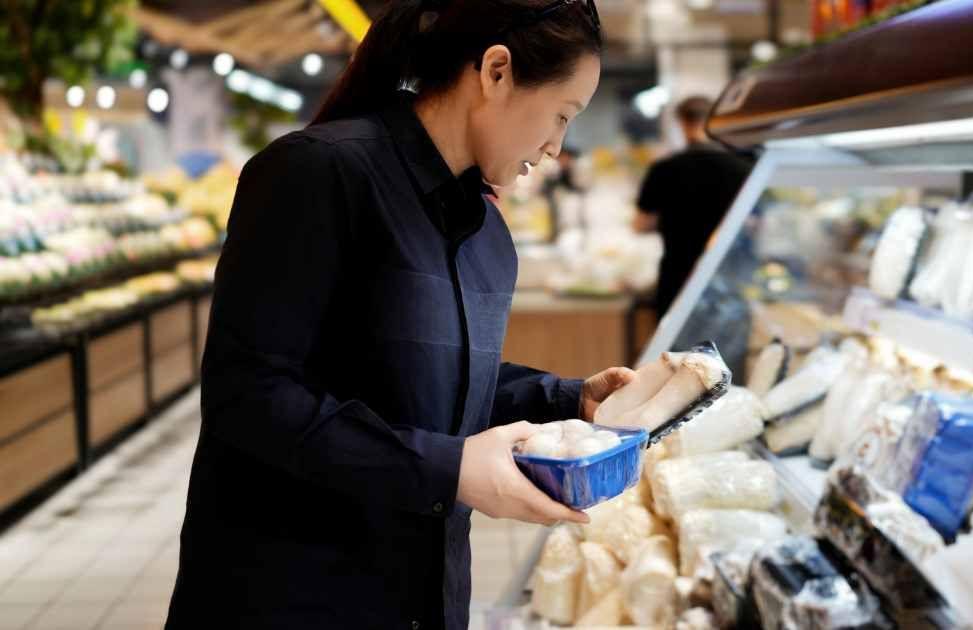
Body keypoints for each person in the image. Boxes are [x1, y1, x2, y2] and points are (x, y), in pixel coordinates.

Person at [165, 2, 631, 629]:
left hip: (423, 593)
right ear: (496, 71)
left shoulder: (487, 233)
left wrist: (569, 402)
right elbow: (248, 394)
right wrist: (451, 469)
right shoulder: (318, 172)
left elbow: (433, 386)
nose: (556, 147)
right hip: (292, 592)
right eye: (562, 115)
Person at [634, 96, 753, 318]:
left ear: (681, 122)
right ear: (714, 121)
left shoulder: (663, 169)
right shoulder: (743, 169)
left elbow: (641, 224)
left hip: (677, 276)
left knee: (674, 351)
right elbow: (753, 225)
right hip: (729, 278)